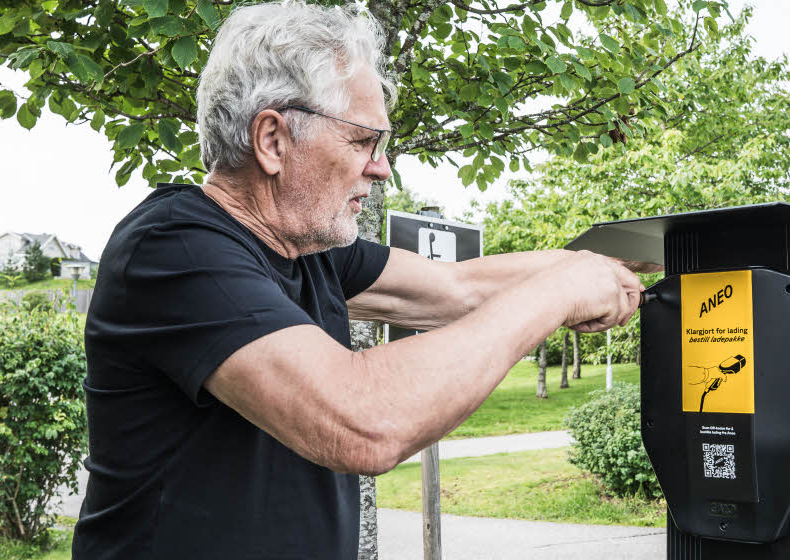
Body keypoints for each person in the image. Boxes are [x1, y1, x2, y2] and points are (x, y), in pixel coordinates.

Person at [72, 1, 645, 558]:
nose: (381, 165)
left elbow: (459, 289)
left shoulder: (307, 247)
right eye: (363, 140)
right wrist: (558, 292)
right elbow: (364, 420)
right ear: (272, 140)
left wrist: (606, 265)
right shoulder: (175, 248)